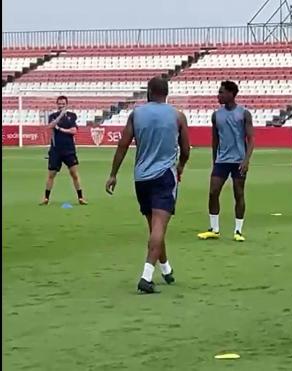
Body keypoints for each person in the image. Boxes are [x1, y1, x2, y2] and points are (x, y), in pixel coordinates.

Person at [105, 77, 190, 294]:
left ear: (150, 92)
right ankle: (146, 276)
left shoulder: (136, 114)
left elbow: (123, 144)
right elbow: (186, 149)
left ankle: (166, 269)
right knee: (159, 227)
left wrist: (113, 174)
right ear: (166, 92)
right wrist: (180, 166)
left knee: (154, 226)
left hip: (141, 178)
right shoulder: (178, 116)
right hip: (164, 175)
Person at [197, 81, 254, 242]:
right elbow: (215, 140)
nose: (218, 95)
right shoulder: (216, 115)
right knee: (213, 192)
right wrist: (214, 160)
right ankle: (214, 229)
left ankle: (238, 230)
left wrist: (246, 160)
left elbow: (251, 139)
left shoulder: (244, 113)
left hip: (239, 160)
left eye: (221, 92)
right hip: (222, 160)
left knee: (239, 194)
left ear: (231, 94)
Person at [40, 96, 87, 205]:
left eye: (63, 103)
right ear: (57, 104)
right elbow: (51, 126)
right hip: (55, 150)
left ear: (66, 104)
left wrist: (60, 129)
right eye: (59, 104)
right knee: (51, 174)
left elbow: (73, 131)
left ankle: (80, 197)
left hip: (69, 150)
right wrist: (60, 115)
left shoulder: (71, 116)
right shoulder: (53, 116)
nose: (61, 105)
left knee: (74, 174)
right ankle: (46, 198)